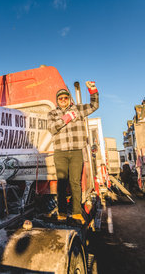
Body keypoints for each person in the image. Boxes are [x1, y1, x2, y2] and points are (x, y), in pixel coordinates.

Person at [47, 81, 99, 224]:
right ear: (57, 101)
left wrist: (92, 90)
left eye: (65, 98)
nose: (63, 100)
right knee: (62, 183)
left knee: (75, 182)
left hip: (76, 151)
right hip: (60, 152)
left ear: (69, 99)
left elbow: (94, 105)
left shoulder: (78, 110)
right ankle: (62, 212)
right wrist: (65, 119)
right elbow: (51, 128)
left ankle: (76, 212)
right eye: (60, 98)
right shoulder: (52, 113)